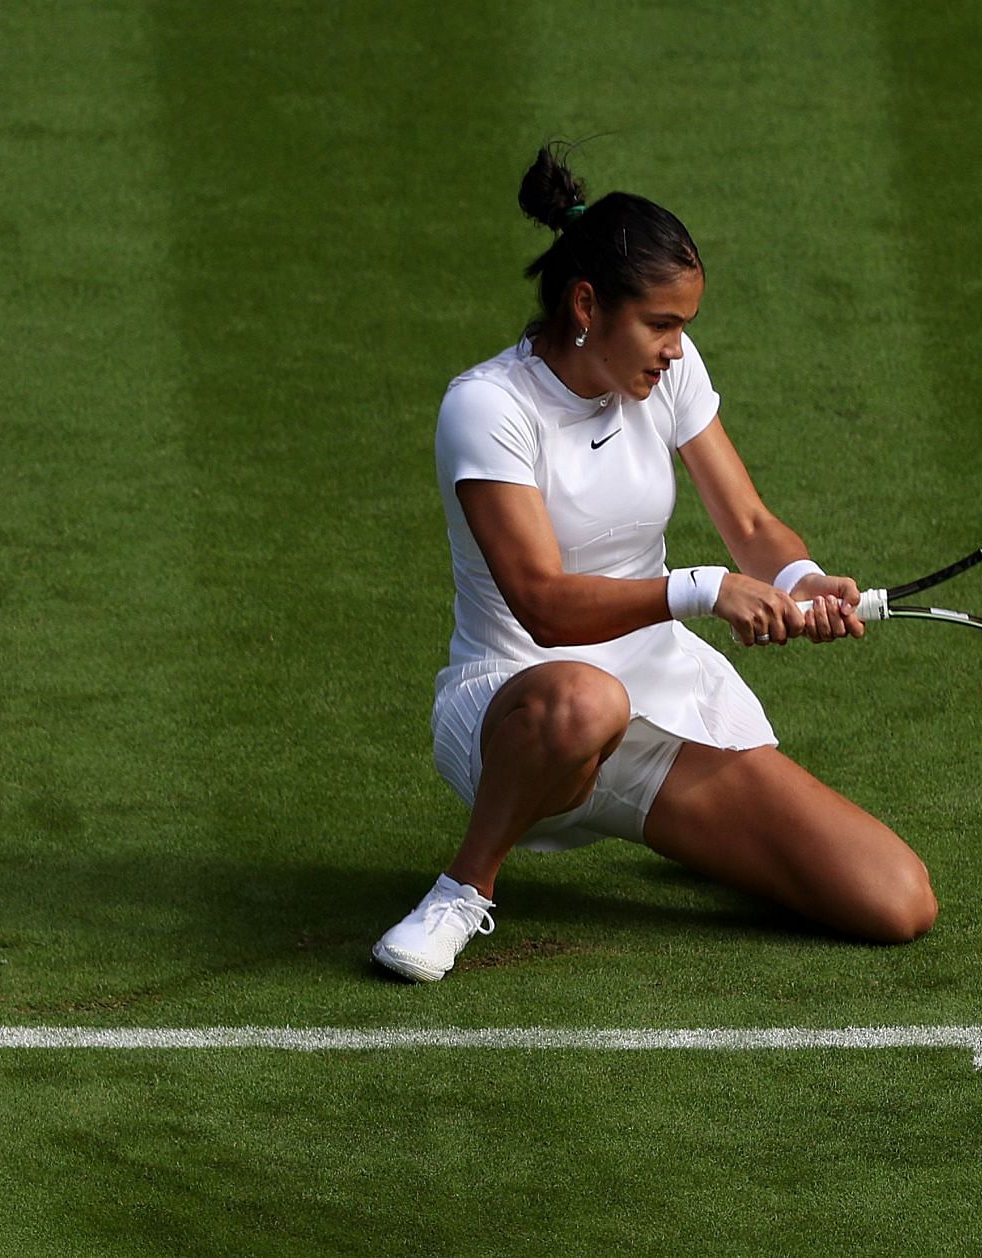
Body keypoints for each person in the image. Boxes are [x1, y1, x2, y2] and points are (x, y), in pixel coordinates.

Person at [372, 145, 938, 981]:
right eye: (662, 324)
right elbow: (544, 606)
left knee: (896, 899)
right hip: (521, 707)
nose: (676, 348)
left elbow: (747, 519)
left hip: (656, 703)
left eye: (685, 327)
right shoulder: (488, 407)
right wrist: (705, 590)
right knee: (584, 697)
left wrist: (798, 579)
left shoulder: (665, 374)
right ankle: (463, 888)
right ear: (586, 304)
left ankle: (687, 833)